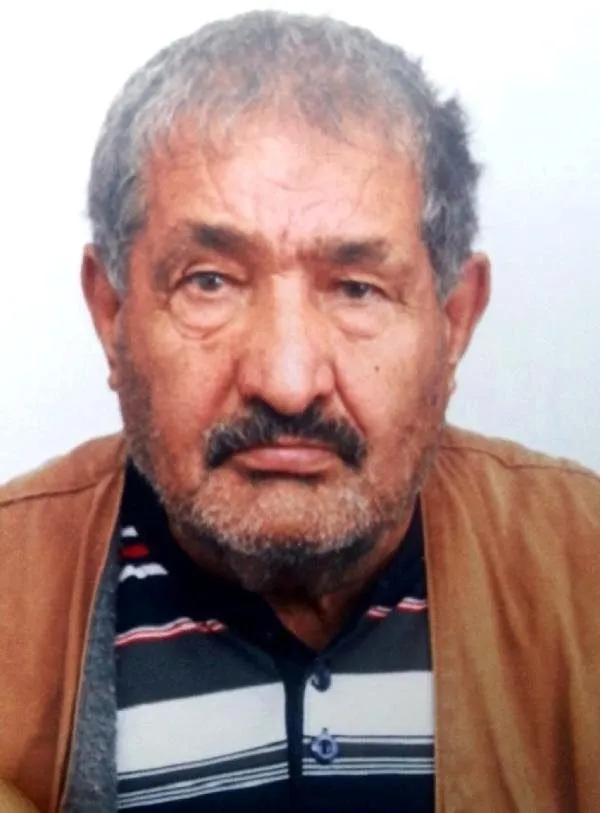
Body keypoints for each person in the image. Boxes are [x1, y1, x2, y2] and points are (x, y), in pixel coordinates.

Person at [0, 10, 598, 813]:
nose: (286, 383)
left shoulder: (584, 568)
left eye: (356, 288)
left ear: (454, 321)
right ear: (111, 314)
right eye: (209, 281)